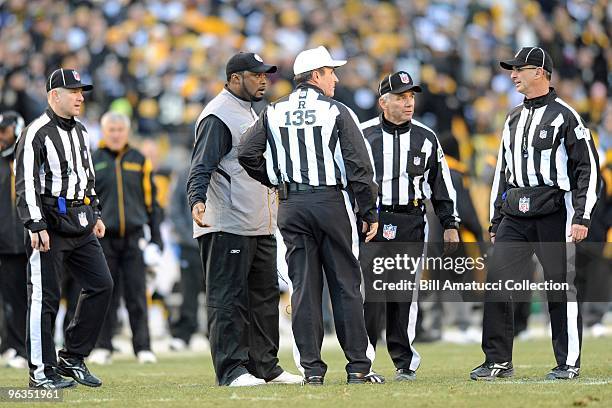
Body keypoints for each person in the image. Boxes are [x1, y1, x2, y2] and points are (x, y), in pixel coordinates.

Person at [238, 46, 383, 385]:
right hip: (330, 202)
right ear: (316, 75)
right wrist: (368, 210)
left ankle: (313, 370)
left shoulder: (273, 111)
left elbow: (247, 152)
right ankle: (359, 367)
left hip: (292, 206)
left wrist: (274, 179)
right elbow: (359, 167)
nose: (335, 77)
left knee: (303, 288)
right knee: (346, 285)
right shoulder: (337, 111)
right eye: (331, 71)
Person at [470, 47, 600, 381]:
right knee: (498, 281)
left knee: (559, 286)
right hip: (514, 211)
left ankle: (567, 362)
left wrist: (582, 216)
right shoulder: (512, 117)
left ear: (540, 72)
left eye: (519, 69)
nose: (512, 75)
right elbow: (502, 171)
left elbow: (588, 168)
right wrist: (496, 219)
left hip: (554, 210)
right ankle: (497, 360)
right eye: (511, 70)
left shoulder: (566, 116)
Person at [187, 52, 301, 387]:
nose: (265, 80)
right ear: (236, 78)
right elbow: (201, 165)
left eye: (266, 74)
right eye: (257, 75)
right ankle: (232, 370)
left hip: (259, 223)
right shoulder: (217, 115)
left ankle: (265, 367)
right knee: (228, 299)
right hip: (226, 222)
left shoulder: (251, 112)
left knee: (264, 298)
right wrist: (196, 199)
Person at [14, 68, 113, 389]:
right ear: (54, 95)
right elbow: (25, 182)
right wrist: (35, 223)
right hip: (50, 226)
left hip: (81, 222)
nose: (80, 97)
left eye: (82, 91)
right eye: (73, 91)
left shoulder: (83, 131)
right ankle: (40, 372)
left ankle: (72, 356)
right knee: (45, 298)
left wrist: (94, 211)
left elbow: (86, 176)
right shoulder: (35, 132)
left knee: (102, 285)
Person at [360, 71, 460, 381]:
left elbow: (441, 184)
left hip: (411, 220)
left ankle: (405, 362)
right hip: (373, 221)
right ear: (383, 102)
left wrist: (449, 223)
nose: (408, 103)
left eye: (411, 97)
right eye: (401, 97)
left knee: (404, 294)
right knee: (370, 294)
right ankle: (363, 363)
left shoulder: (426, 137)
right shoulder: (361, 135)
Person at [80, 111, 162, 365]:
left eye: (119, 129)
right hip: (103, 238)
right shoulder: (93, 160)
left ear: (127, 132)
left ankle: (143, 347)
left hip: (134, 237)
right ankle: (104, 345)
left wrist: (156, 240)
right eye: (111, 130)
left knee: (137, 294)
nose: (115, 134)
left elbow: (152, 203)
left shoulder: (139, 160)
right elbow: (85, 200)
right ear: (104, 132)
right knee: (106, 293)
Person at [0, 111, 28, 369]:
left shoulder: (29, 158)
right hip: (7, 245)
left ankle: (34, 347)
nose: (1, 138)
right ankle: (16, 347)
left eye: (5, 132)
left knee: (39, 298)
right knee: (13, 299)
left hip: (33, 240)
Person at [168, 164, 205, 351]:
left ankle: (216, 333)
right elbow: (174, 207)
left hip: (215, 241)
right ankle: (183, 334)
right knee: (188, 291)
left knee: (219, 291)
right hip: (190, 243)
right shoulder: (185, 171)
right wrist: (188, 235)